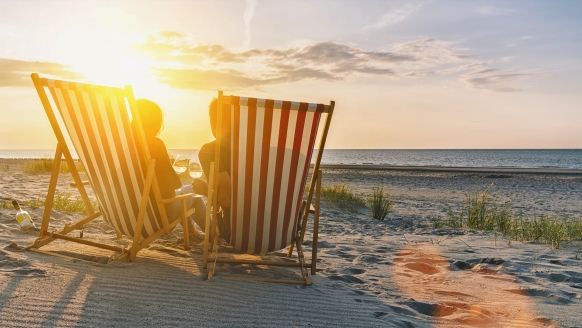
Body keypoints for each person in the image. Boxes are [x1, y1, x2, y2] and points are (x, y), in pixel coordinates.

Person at [132, 99, 206, 238]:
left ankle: (190, 230)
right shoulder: (154, 144)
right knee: (192, 191)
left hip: (124, 216)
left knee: (182, 192)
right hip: (152, 220)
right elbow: (170, 190)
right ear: (156, 122)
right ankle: (214, 234)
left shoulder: (120, 145)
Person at [192, 98, 232, 241]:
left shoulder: (211, 151)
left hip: (236, 231)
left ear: (213, 122)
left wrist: (204, 190)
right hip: (283, 232)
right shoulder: (271, 151)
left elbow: (226, 199)